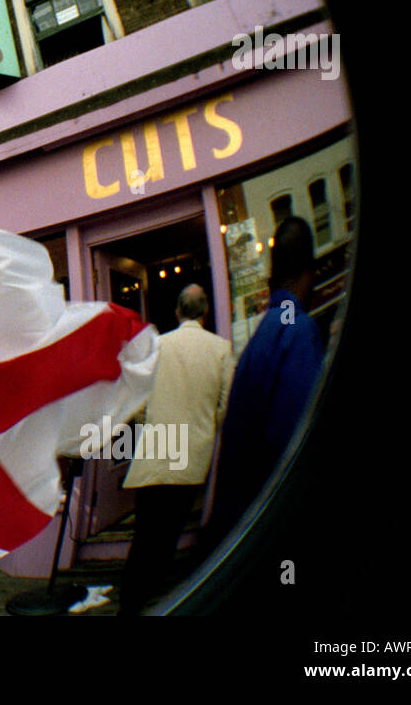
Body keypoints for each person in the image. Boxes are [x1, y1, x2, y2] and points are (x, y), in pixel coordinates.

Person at [118, 284, 233, 616]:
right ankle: (161, 598)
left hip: (156, 453)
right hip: (192, 458)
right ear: (206, 312)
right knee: (170, 536)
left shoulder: (158, 346)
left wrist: (150, 425)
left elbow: (137, 404)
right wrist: (202, 430)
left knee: (145, 538)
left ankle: (130, 605)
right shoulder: (222, 349)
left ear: (178, 312)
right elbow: (224, 407)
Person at [209, 215, 324, 544]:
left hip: (240, 524)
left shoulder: (262, 336)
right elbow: (296, 447)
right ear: (309, 274)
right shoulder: (298, 330)